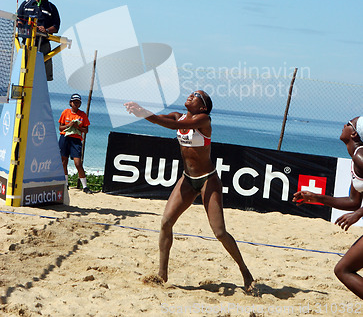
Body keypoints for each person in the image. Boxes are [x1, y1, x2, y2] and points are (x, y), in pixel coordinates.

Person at [124, 91, 254, 291]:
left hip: (207, 180)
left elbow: (173, 126)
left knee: (219, 232)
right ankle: (162, 274)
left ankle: (245, 272)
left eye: (197, 95)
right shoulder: (178, 115)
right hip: (187, 179)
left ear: (203, 107)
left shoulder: (203, 119)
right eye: (192, 93)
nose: (191, 95)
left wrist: (144, 113)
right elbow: (160, 119)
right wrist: (141, 111)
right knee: (166, 222)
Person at [293, 116, 363, 300]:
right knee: (344, 270)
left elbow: (357, 208)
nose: (344, 124)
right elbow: (353, 200)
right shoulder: (356, 158)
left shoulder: (360, 156)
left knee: (343, 270)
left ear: (354, 133)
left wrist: (358, 214)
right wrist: (317, 198)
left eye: (348, 123)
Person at [17, 0, 61, 81]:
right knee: (22, 73)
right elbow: (18, 19)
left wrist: (46, 30)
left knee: (42, 77)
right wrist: (22, 26)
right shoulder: (26, 4)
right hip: (26, 44)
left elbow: (56, 27)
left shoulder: (52, 8)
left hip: (43, 46)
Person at [58, 93, 92, 194]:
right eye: (74, 102)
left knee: (78, 163)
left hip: (76, 140)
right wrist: (69, 125)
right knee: (64, 161)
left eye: (78, 102)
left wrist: (78, 127)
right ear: (70, 103)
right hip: (65, 138)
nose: (76, 104)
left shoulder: (82, 115)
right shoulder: (65, 112)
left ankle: (85, 186)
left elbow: (86, 130)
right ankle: (66, 184)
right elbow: (60, 127)